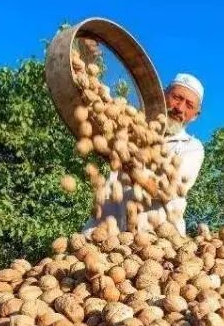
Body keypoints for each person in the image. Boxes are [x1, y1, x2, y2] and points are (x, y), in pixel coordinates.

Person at [84, 73, 206, 237]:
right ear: (163, 94)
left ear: (196, 116)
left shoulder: (191, 147)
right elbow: (93, 115)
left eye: (189, 105)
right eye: (177, 97)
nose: (180, 108)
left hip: (156, 240)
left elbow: (168, 190)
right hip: (104, 232)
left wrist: (132, 166)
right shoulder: (130, 127)